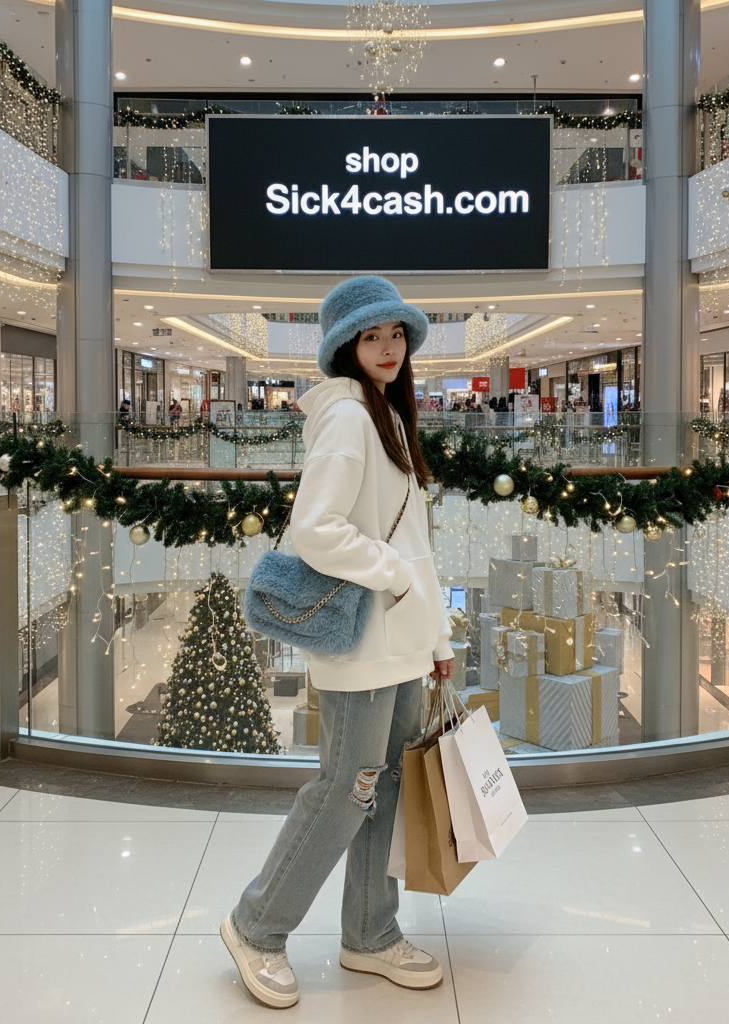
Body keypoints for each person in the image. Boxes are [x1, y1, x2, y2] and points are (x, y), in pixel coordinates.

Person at [222, 275, 454, 1009]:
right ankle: (256, 925)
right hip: (362, 642)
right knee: (344, 792)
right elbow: (315, 530)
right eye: (371, 336)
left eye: (396, 336)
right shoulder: (350, 419)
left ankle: (370, 933)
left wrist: (436, 635)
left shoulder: (384, 415)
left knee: (383, 788)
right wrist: (391, 579)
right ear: (345, 347)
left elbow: (414, 540)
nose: (388, 348)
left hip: (400, 644)